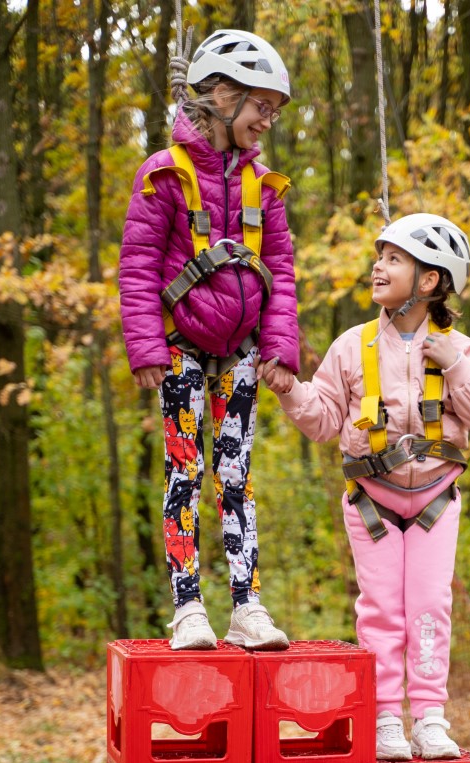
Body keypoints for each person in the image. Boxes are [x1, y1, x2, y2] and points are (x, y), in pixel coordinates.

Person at [258, 214, 470, 759]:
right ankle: (386, 717)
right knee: (380, 609)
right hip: (372, 501)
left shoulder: (462, 349)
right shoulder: (353, 346)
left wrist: (455, 367)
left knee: (429, 605)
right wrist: (289, 390)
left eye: (394, 259)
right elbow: (324, 420)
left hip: (435, 500)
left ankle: (430, 717)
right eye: (379, 256)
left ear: (429, 280)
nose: (378, 266)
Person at [119, 29, 298, 651]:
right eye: (261, 107)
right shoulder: (164, 175)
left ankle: (247, 605)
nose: (267, 121)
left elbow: (281, 271)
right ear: (221, 95)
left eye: (274, 111)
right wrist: (145, 347)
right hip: (179, 344)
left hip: (241, 349)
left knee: (236, 473)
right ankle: (188, 606)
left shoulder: (264, 187)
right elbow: (138, 265)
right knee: (185, 470)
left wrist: (279, 348)